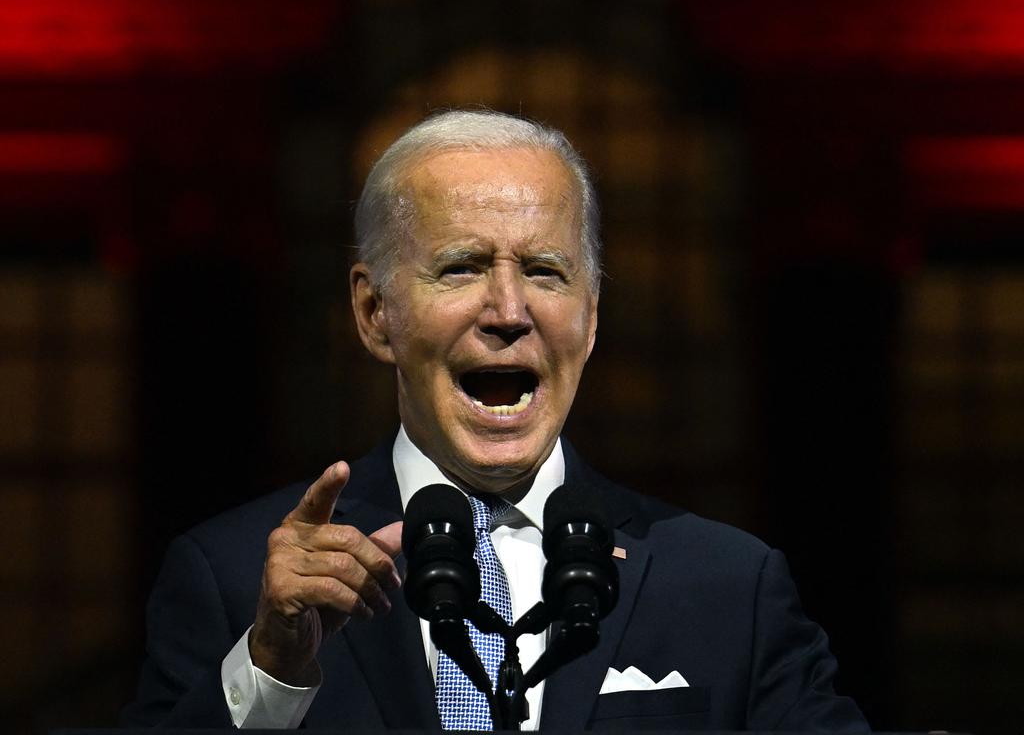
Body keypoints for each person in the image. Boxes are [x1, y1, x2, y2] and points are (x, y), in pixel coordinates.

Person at [122, 110, 869, 731]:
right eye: (462, 268)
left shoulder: (729, 587)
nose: (509, 313)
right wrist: (271, 670)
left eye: (545, 271)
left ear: (593, 315)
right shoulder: (234, 580)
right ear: (374, 312)